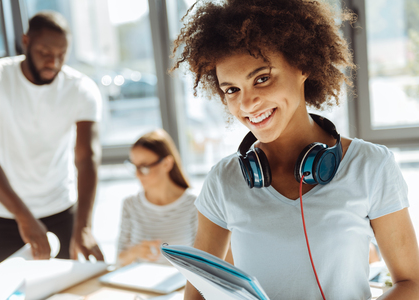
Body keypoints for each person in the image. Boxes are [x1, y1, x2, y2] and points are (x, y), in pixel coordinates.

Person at [171, 0, 419, 299]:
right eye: (231, 90)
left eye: (262, 78)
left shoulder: (370, 165)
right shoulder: (224, 180)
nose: (247, 104)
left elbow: (411, 282)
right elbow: (196, 293)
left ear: (302, 65)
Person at [0, 11, 104, 269]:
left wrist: (84, 226)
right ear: (26, 42)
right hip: (5, 215)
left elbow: (87, 158)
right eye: (45, 52)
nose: (53, 62)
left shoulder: (81, 88)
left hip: (62, 212)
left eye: (61, 55)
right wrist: (24, 217)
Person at [116, 129, 198, 266]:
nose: (138, 174)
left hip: (181, 285)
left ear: (167, 164)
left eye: (144, 167)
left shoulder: (195, 205)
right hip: (140, 284)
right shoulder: (130, 205)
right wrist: (135, 252)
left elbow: (205, 262)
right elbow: (119, 260)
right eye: (134, 167)